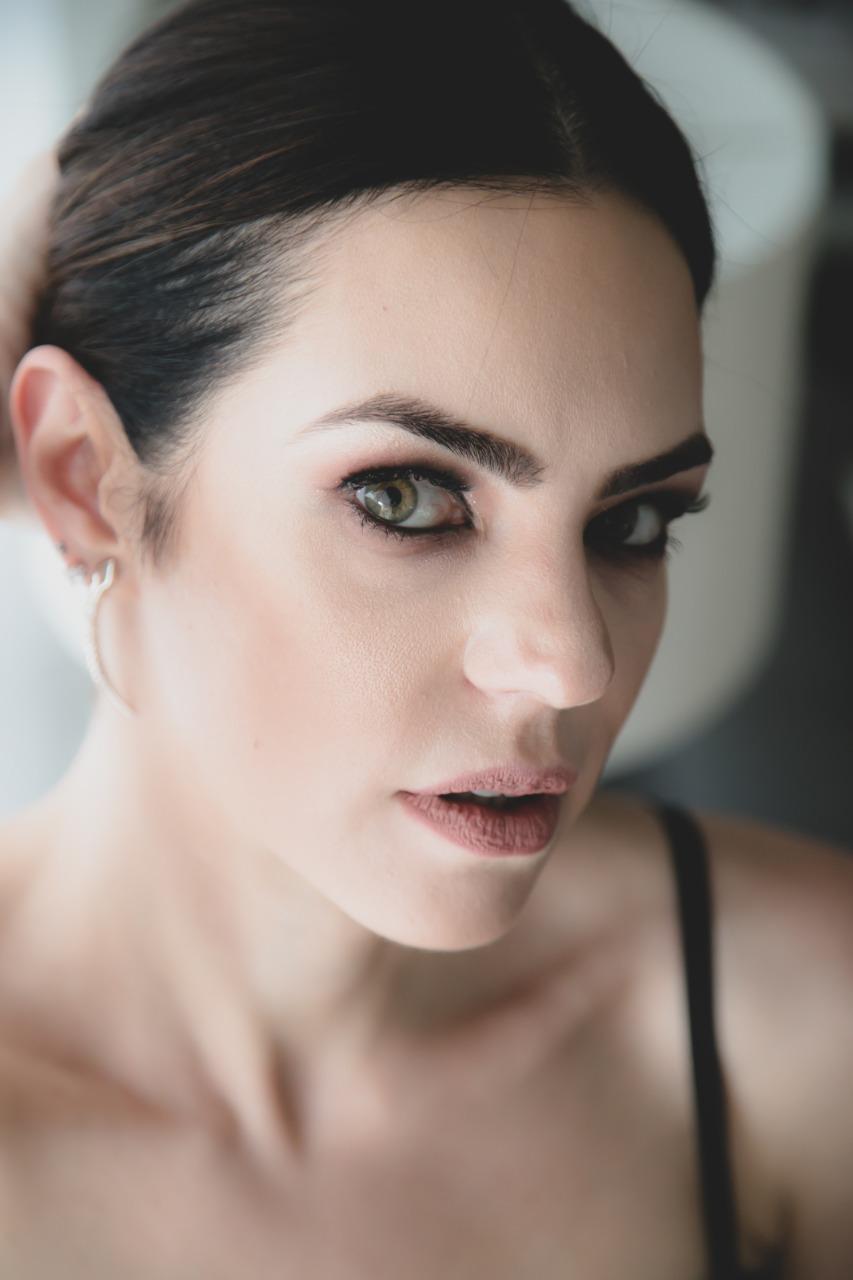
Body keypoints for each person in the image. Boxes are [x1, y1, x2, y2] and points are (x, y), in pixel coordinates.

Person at [0, 0, 851, 1275]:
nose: (573, 663)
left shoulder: (795, 1021)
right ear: (83, 473)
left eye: (630, 522)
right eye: (405, 497)